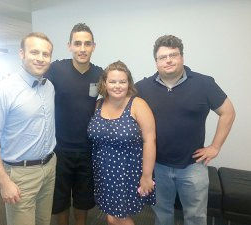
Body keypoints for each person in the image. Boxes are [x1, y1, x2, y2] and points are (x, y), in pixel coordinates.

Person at [135, 35, 236, 225]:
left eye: (173, 55)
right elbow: (121, 105)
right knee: (162, 215)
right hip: (157, 166)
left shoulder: (204, 84)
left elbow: (228, 112)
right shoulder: (143, 87)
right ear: (156, 61)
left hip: (193, 167)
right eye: (162, 57)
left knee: (195, 217)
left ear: (182, 57)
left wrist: (215, 147)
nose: (168, 60)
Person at [0, 32, 57, 225]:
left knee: (43, 221)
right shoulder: (1, 91)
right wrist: (3, 182)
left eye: (45, 54)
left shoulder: (49, 87)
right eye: (34, 52)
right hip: (21, 174)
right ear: (22, 53)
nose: (40, 58)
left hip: (49, 167)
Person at [44, 23, 103, 225]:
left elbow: (117, 97)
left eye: (87, 44)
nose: (82, 48)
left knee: (83, 201)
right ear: (69, 46)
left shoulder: (100, 74)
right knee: (59, 203)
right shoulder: (56, 70)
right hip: (59, 150)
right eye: (77, 43)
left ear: (94, 46)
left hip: (88, 150)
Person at [87, 61, 156, 225]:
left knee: (120, 218)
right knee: (111, 215)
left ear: (129, 83)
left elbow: (150, 140)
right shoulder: (98, 104)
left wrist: (146, 176)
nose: (117, 86)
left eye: (122, 82)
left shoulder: (138, 105)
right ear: (105, 83)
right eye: (112, 81)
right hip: (103, 173)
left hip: (127, 174)